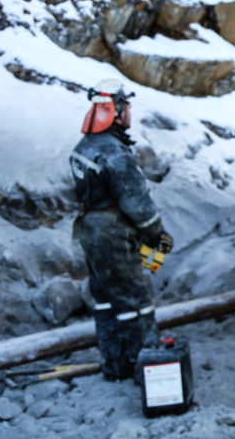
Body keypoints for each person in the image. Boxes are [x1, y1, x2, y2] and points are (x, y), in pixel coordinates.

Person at [69, 79, 172, 381]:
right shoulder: (115, 153)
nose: (129, 112)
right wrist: (157, 235)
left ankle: (115, 367)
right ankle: (148, 375)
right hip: (114, 235)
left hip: (90, 232)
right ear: (115, 111)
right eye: (126, 106)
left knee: (104, 300)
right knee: (137, 303)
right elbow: (137, 203)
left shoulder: (82, 148)